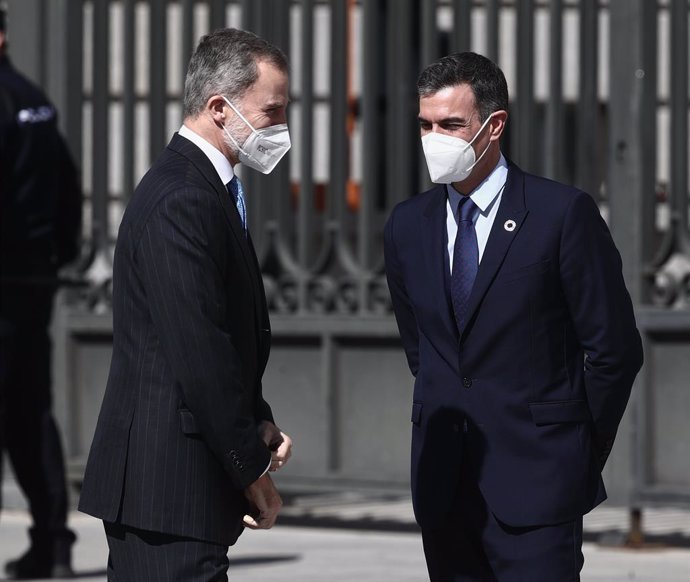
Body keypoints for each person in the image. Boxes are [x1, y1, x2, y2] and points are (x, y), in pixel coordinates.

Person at [384, 51, 643, 581]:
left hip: (539, 487)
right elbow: (426, 351)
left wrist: (574, 450)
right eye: (426, 125)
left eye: (452, 124)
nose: (435, 138)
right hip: (445, 489)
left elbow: (614, 350)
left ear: (494, 125)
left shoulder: (560, 214)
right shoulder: (408, 225)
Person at [78, 28, 293, 581]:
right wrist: (252, 470)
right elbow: (200, 354)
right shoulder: (183, 197)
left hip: (177, 491)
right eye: (271, 111)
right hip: (165, 488)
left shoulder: (205, 189)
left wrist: (258, 424)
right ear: (220, 108)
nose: (281, 128)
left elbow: (220, 334)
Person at [0, 7, 82, 579]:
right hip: (34, 278)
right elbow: (69, 185)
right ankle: (52, 542)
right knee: (30, 410)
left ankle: (51, 541)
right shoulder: (34, 98)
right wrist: (60, 255)